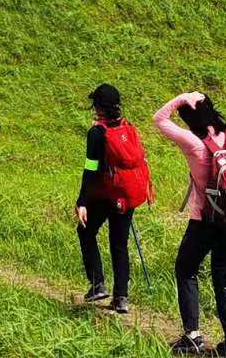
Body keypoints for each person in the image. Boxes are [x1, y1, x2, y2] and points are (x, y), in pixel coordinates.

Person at [154, 92, 226, 358]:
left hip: (204, 221)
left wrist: (182, 98)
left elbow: (159, 119)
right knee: (223, 279)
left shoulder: (193, 142)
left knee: (186, 270)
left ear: (190, 117)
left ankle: (192, 337)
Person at [77, 83, 135, 315]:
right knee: (119, 244)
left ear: (98, 107)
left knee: (85, 231)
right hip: (126, 195)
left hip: (103, 195)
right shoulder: (127, 127)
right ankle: (121, 299)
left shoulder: (97, 133)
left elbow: (91, 168)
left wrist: (82, 201)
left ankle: (97, 283)